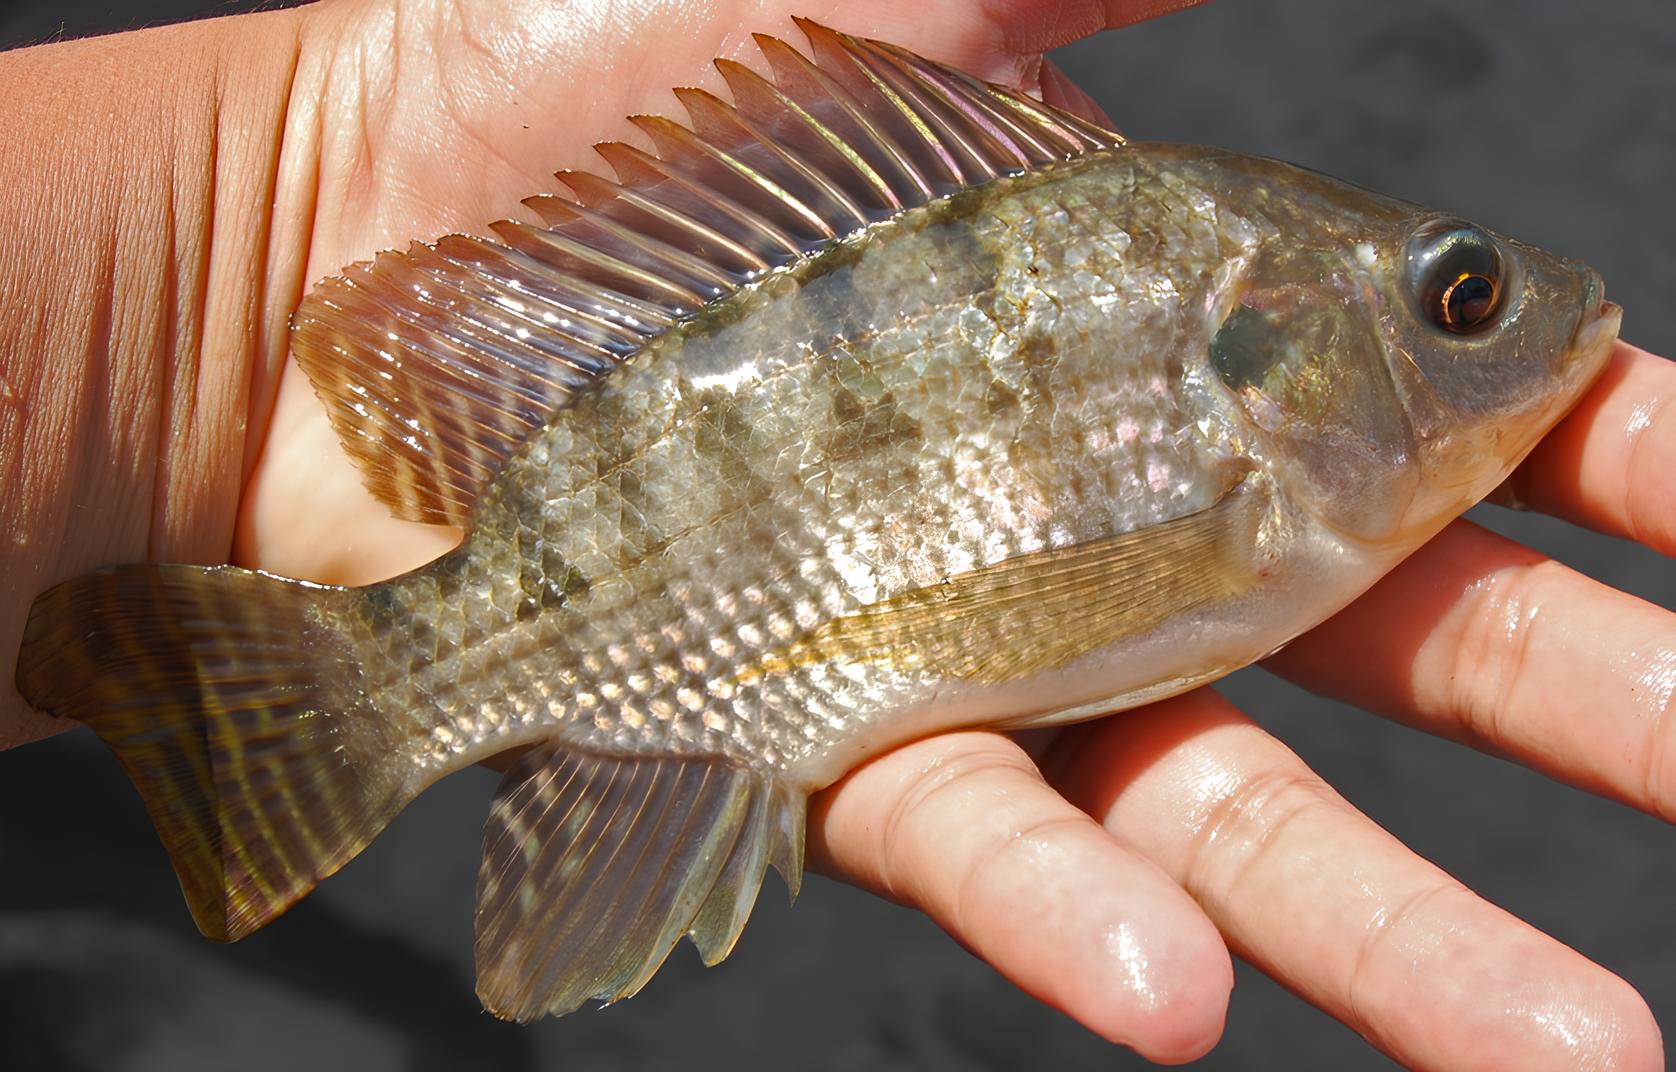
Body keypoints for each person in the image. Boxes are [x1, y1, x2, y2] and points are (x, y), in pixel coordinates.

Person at [0, 1, 1668, 1067]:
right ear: (1269, 346)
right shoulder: (1257, 474)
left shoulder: (1270, 425)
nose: (1531, 322)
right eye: (1461, 301)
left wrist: (229, 249)